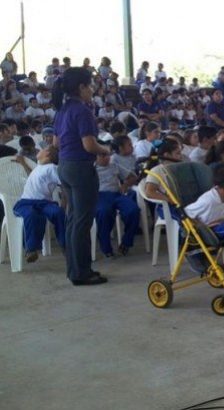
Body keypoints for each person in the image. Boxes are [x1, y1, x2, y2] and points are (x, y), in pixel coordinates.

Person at [53, 67, 111, 285]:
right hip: (80, 169)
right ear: (82, 87)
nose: (93, 89)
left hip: (65, 166)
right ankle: (82, 273)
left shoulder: (62, 109)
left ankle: (74, 269)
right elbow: (89, 145)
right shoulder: (82, 110)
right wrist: (105, 150)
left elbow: (56, 143)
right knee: (82, 222)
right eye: (90, 85)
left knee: (73, 220)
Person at [12, 146, 66, 263]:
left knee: (58, 212)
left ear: (48, 154)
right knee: (31, 215)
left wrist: (63, 205)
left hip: (45, 203)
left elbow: (64, 186)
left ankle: (65, 244)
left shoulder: (52, 168)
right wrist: (23, 163)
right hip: (26, 203)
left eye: (42, 149)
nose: (38, 150)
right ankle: (31, 249)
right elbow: (32, 175)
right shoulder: (39, 167)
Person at [94, 149, 140, 258]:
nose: (107, 158)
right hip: (100, 196)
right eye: (102, 155)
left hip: (116, 194)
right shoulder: (91, 169)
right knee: (103, 213)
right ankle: (106, 248)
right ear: (95, 157)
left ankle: (126, 242)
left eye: (107, 155)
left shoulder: (114, 165)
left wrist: (125, 185)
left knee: (133, 210)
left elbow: (133, 177)